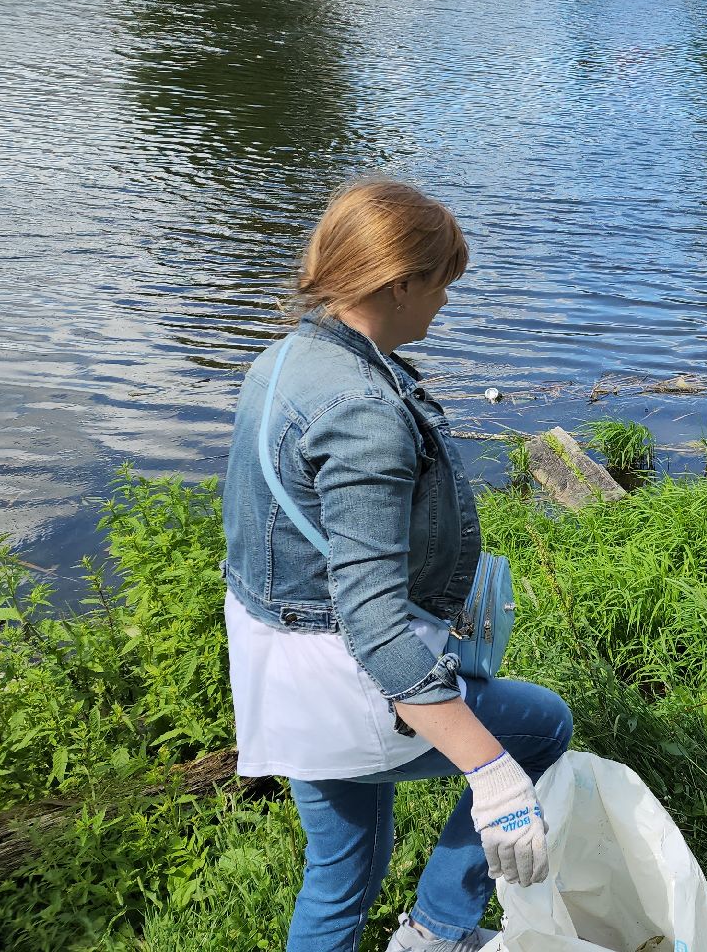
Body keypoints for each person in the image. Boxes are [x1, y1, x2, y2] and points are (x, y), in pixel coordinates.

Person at [221, 180, 572, 952]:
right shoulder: (362, 410)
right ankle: (439, 932)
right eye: (442, 284)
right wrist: (492, 776)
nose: (445, 303)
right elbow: (374, 623)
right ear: (400, 281)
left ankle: (427, 933)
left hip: (276, 663)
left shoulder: (285, 360)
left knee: (341, 869)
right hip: (343, 680)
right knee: (540, 724)